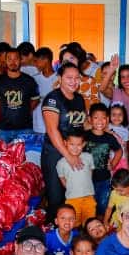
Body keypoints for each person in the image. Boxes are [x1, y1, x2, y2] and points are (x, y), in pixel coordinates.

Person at [41, 62, 87, 221]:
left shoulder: (79, 99)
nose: (74, 81)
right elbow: (53, 131)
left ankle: (71, 231)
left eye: (77, 78)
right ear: (60, 78)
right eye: (69, 77)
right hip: (55, 153)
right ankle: (53, 232)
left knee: (73, 194)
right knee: (56, 197)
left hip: (74, 152)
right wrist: (68, 156)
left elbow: (82, 125)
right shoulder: (52, 99)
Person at [0, 48, 40, 143]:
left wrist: (25, 109)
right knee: (3, 156)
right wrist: (6, 107)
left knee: (27, 156)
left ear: (20, 60)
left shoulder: (29, 81)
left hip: (25, 129)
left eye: (16, 59)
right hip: (4, 130)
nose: (13, 62)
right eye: (9, 59)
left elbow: (35, 100)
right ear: (5, 61)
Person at [85, 103, 123, 217]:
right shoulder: (85, 136)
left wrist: (113, 164)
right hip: (86, 179)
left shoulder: (109, 137)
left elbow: (119, 151)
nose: (100, 121)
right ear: (90, 119)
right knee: (89, 204)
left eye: (103, 118)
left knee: (102, 204)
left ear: (107, 119)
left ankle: (101, 224)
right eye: (96, 117)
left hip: (104, 178)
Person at [56, 131, 97, 225]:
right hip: (72, 199)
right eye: (72, 144)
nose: (75, 148)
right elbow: (62, 179)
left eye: (79, 144)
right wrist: (73, 189)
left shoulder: (88, 157)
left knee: (89, 221)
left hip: (89, 197)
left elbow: (90, 173)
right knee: (74, 223)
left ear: (84, 144)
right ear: (65, 143)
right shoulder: (61, 163)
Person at [30, 47, 59, 134]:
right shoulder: (34, 79)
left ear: (45, 60)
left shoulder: (59, 79)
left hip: (54, 126)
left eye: (36, 61)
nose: (35, 64)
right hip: (37, 125)